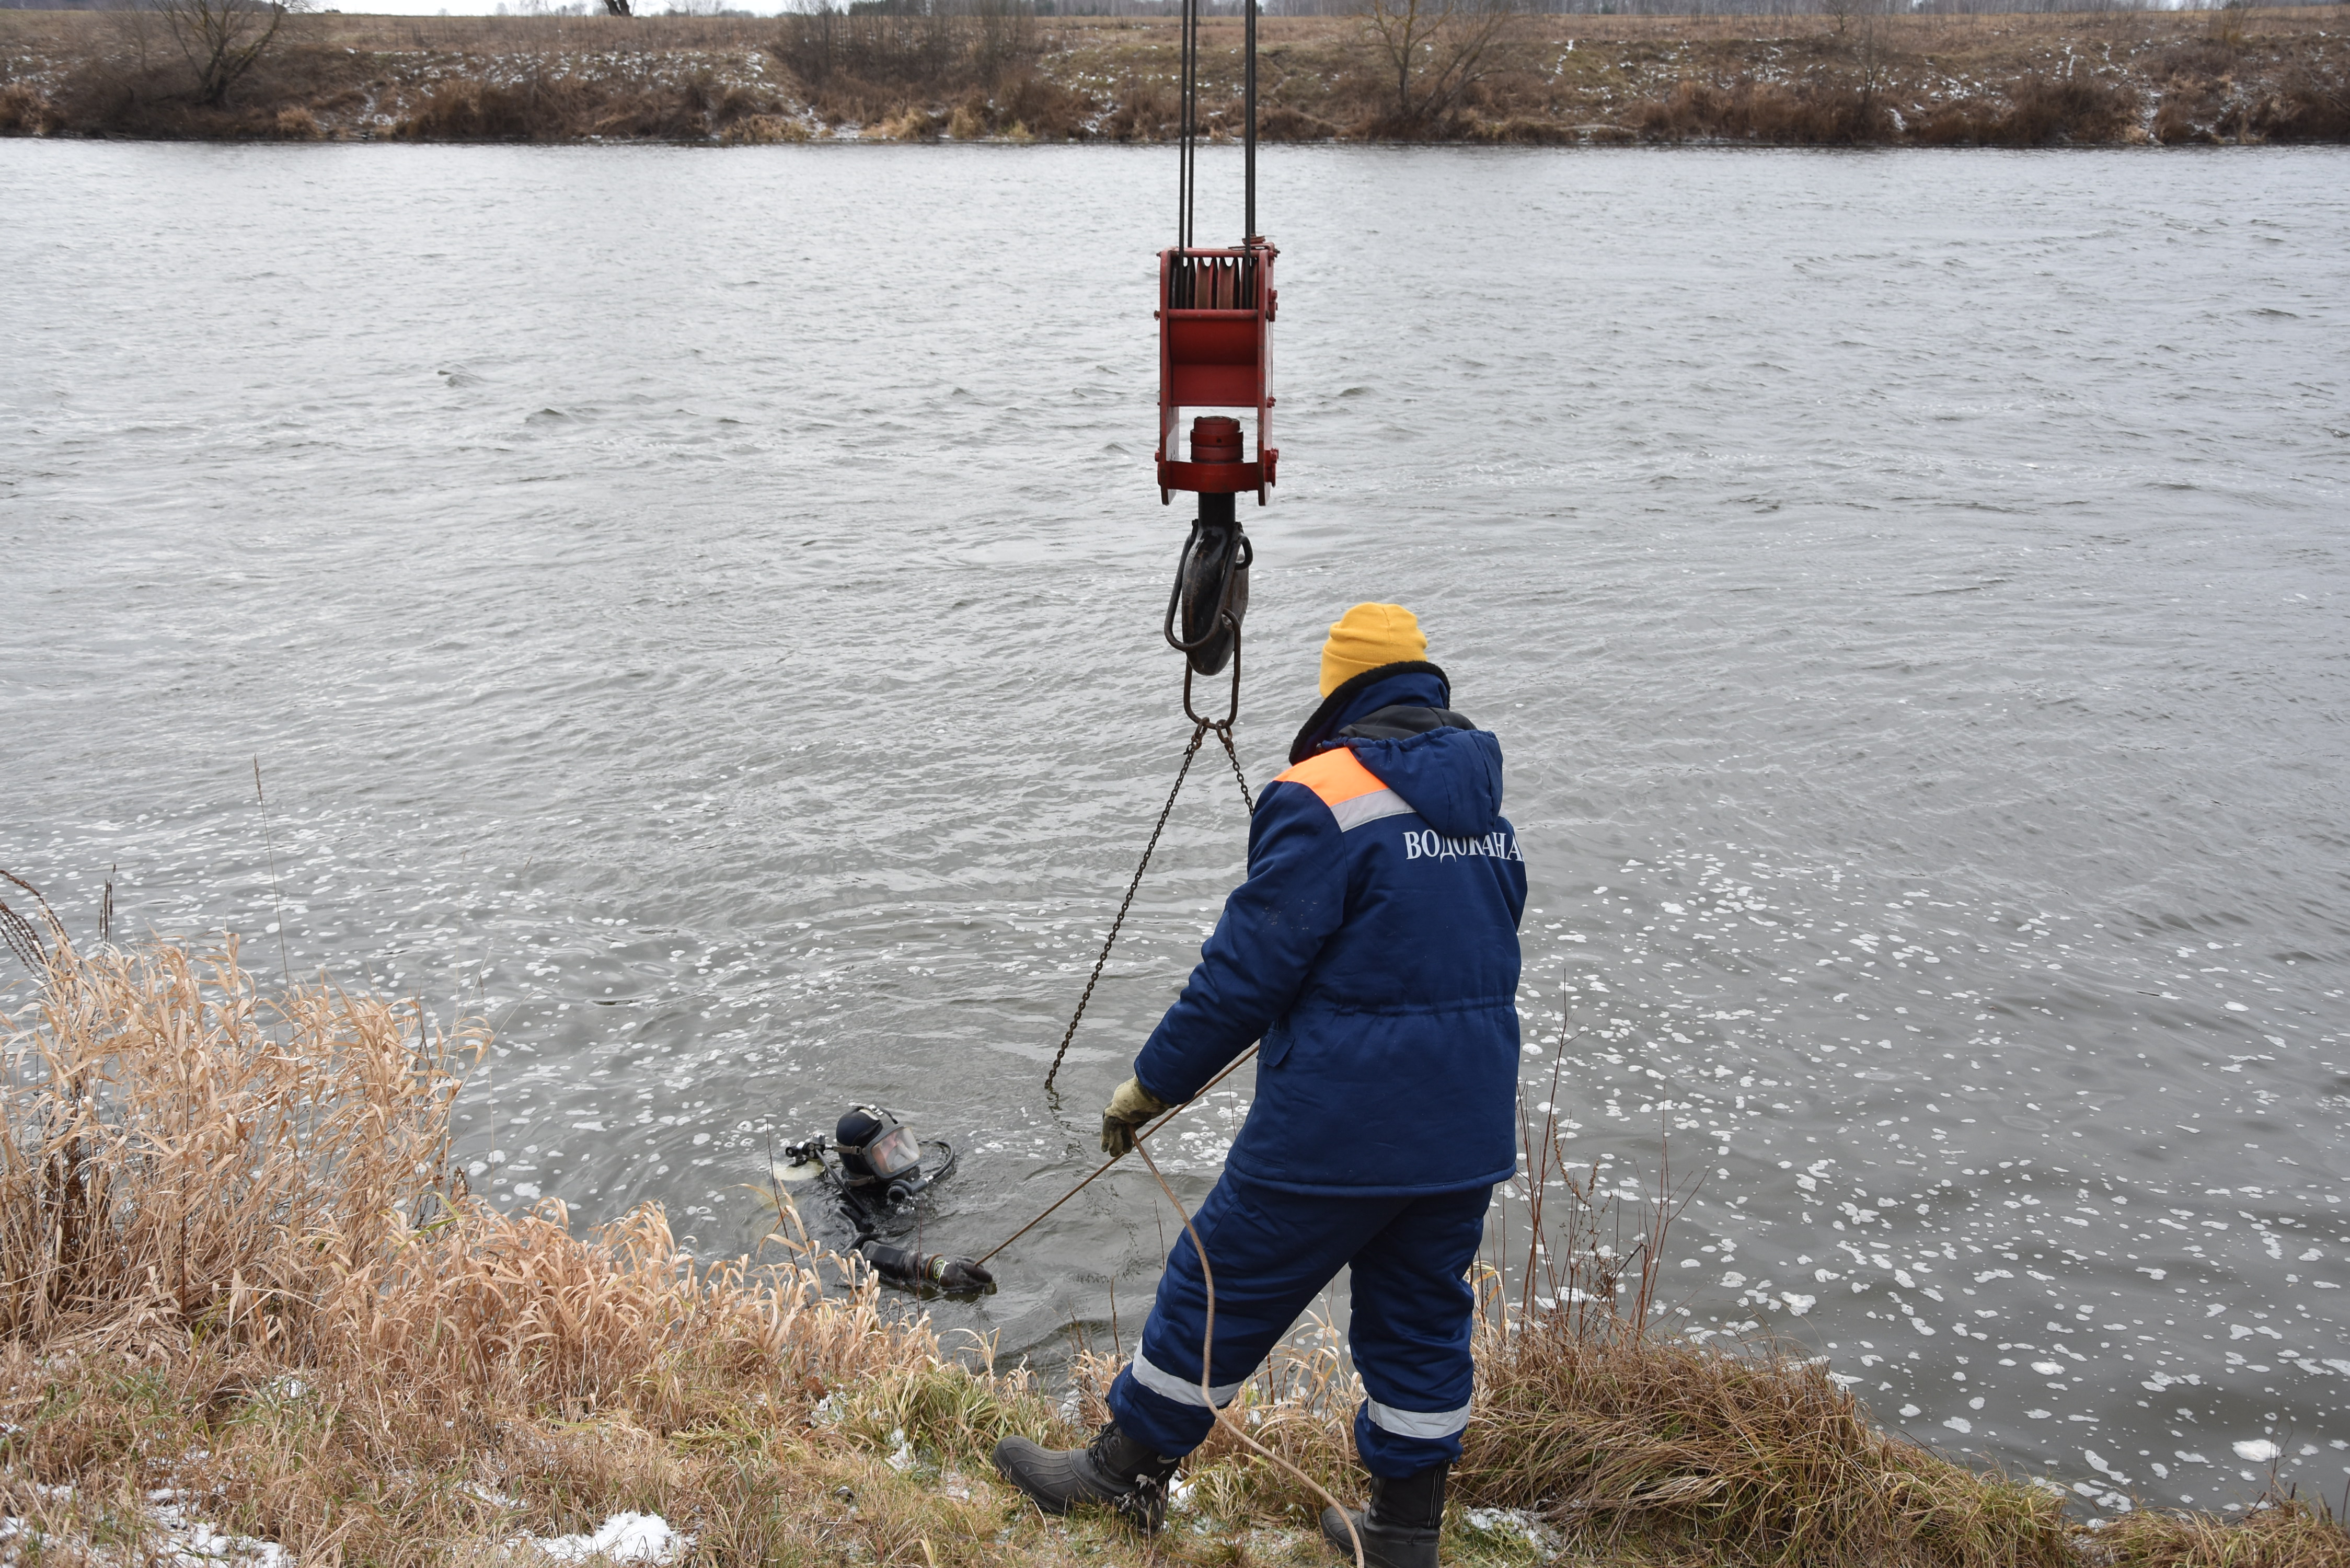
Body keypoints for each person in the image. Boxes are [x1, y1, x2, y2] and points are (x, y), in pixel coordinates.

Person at [994, 604, 1526, 1568]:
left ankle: (1119, 1477)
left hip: (1341, 1127)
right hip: (1466, 1126)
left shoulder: (1321, 792)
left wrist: (1152, 1086)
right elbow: (1470, 957)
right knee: (1420, 1321)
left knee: (1216, 1281)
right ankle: (1404, 1538)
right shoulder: (1488, 812)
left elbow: (1247, 972)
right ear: (1424, 686)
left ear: (1340, 691)